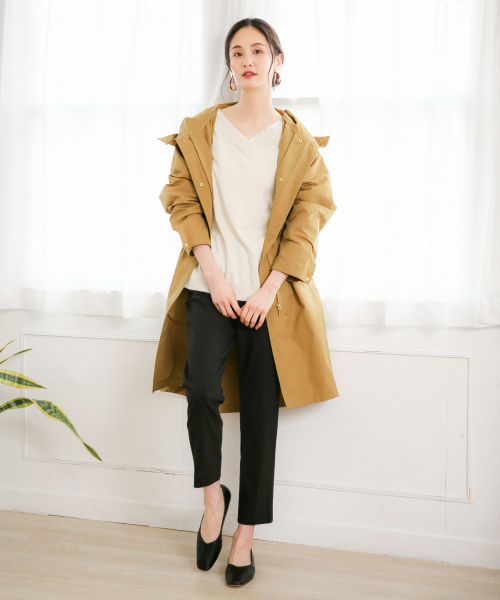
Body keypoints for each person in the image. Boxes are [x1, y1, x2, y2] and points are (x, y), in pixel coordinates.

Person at [154, 17, 339, 588]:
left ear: (276, 62)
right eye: (238, 52)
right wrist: (212, 273)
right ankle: (213, 499)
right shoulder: (201, 130)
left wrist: (268, 288)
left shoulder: (298, 143)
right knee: (200, 392)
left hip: (269, 300)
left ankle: (246, 535)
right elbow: (181, 200)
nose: (248, 60)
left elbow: (307, 223)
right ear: (229, 67)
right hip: (208, 288)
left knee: (261, 415)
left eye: (259, 50)